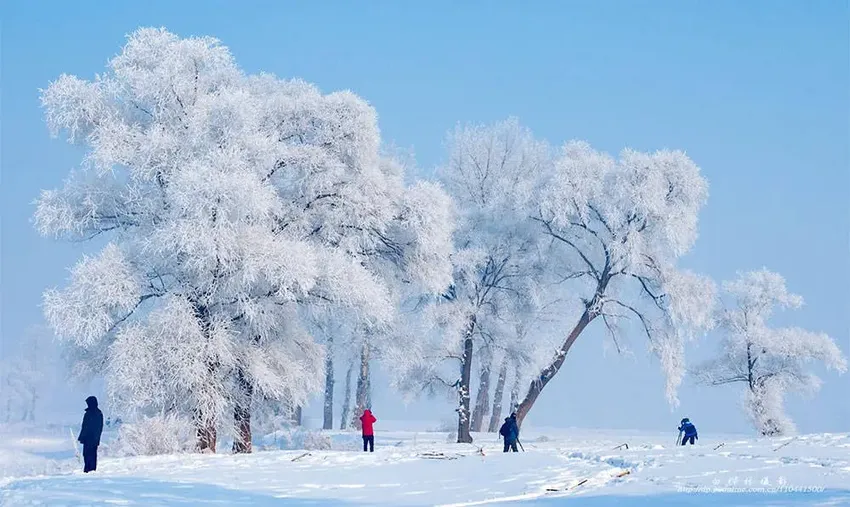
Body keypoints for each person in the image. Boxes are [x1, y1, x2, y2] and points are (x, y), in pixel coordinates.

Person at [77, 396, 104, 473]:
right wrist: (81, 437)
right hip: (87, 439)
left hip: (92, 439)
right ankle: (87, 469)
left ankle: (91, 470)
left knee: (91, 455)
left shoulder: (97, 413)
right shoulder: (90, 413)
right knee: (86, 454)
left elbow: (98, 427)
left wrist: (96, 438)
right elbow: (84, 427)